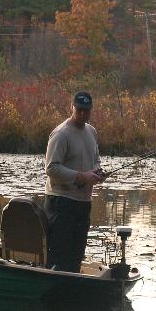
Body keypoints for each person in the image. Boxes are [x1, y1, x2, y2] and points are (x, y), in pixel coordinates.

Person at [43, 91, 106, 272]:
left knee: (76, 255)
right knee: (58, 257)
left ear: (91, 110)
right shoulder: (61, 134)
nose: (83, 114)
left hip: (83, 203)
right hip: (60, 203)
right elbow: (51, 168)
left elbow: (95, 160)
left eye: (86, 110)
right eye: (79, 110)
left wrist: (97, 172)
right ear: (72, 107)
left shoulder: (92, 132)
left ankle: (71, 285)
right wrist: (81, 176)